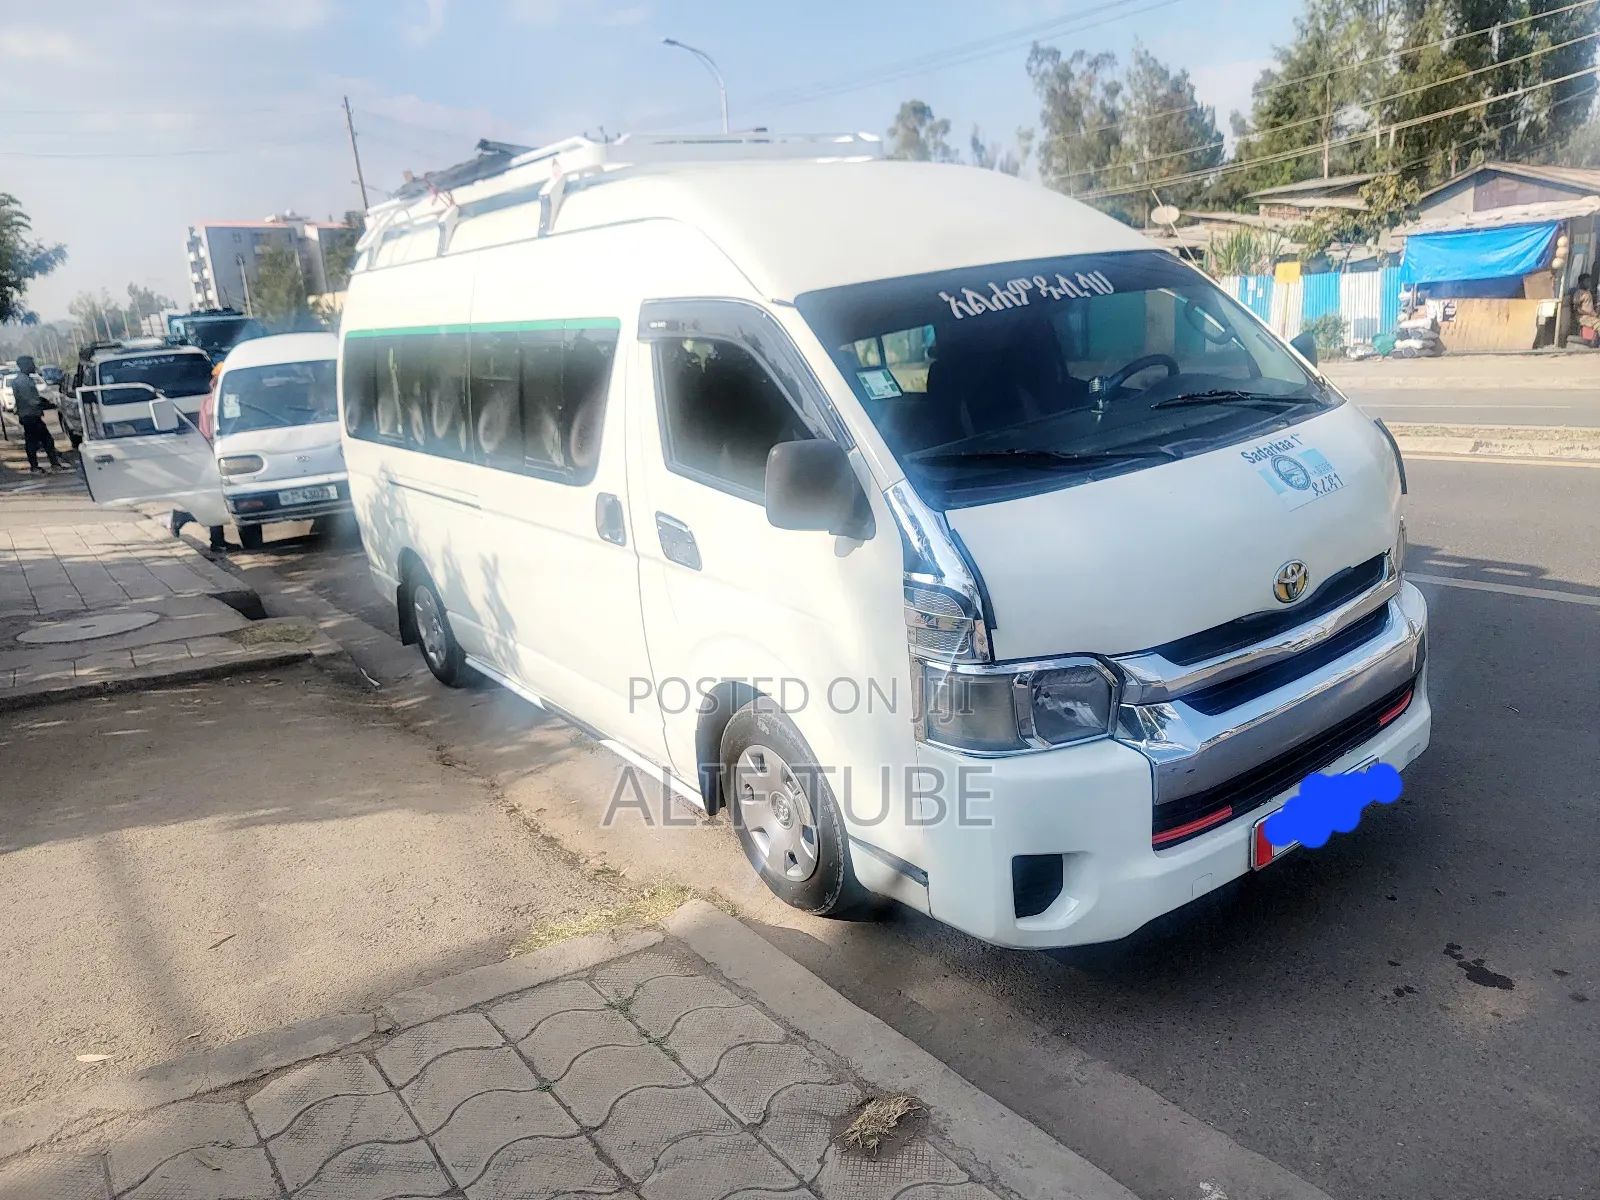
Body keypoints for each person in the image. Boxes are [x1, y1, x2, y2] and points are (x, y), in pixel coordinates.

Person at [11, 356, 62, 473]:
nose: (34, 366)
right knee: (43, 440)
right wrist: (46, 404)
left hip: (30, 414)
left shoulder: (26, 379)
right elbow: (30, 400)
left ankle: (41, 465)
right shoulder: (22, 381)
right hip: (30, 415)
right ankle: (45, 465)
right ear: (24, 366)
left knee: (36, 440)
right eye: (31, 364)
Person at [1569, 273, 1598, 347]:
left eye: (1589, 281)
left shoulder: (1587, 293)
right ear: (1581, 283)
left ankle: (1594, 343)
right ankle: (1592, 344)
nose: (1589, 283)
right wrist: (1590, 313)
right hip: (1583, 317)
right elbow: (1576, 309)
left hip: (1590, 317)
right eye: (1587, 281)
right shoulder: (1579, 293)